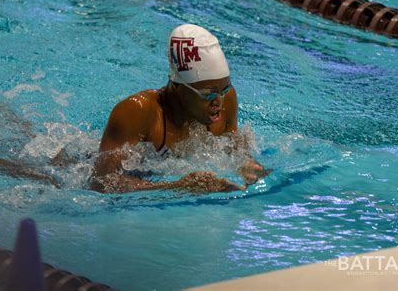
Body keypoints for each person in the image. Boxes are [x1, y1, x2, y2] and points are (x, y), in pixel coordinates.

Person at [91, 24, 268, 194]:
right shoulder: (137, 112)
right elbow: (101, 183)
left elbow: (233, 146)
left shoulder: (226, 99)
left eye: (224, 89)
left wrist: (246, 162)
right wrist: (178, 187)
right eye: (208, 94)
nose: (219, 102)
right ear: (177, 87)